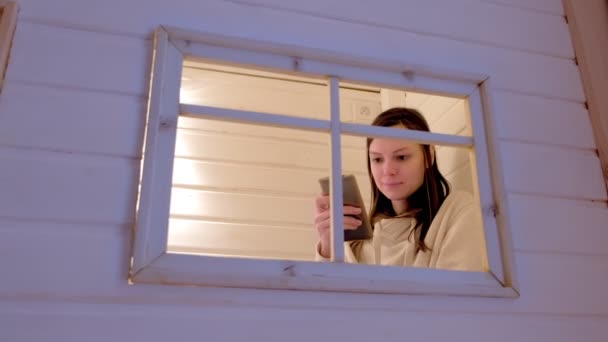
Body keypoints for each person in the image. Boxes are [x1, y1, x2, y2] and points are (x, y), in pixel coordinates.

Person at [314, 107, 487, 272]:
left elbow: (461, 296)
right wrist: (328, 245)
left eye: (401, 157)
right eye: (377, 159)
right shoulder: (357, 244)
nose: (387, 171)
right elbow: (324, 299)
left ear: (429, 156)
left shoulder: (457, 211)